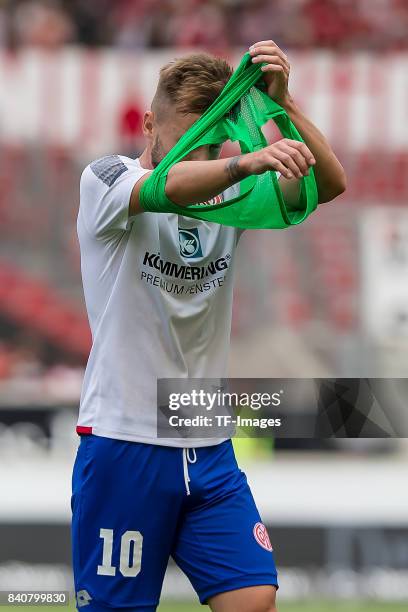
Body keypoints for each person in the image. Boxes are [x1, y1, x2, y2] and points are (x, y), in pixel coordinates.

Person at [72, 40, 346, 612]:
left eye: (214, 142)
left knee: (254, 600)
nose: (201, 159)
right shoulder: (105, 182)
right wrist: (245, 160)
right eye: (188, 144)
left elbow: (331, 185)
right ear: (148, 125)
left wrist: (282, 105)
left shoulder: (228, 199)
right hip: (125, 441)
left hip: (206, 440)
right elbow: (166, 187)